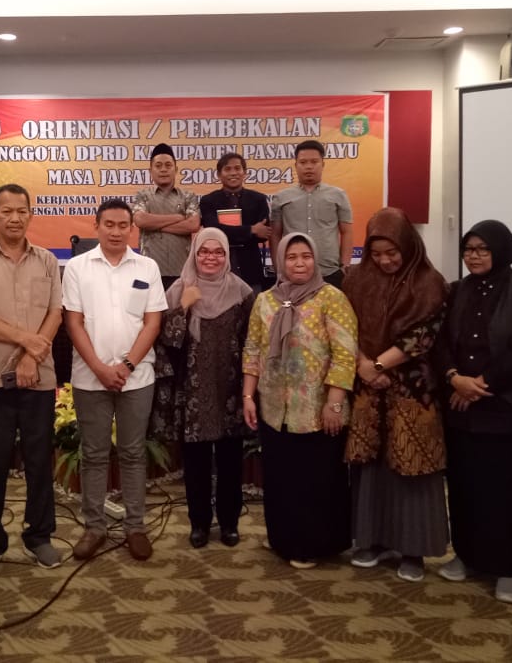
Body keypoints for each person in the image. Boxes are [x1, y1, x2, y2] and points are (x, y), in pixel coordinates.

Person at [432, 220, 512, 604]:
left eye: (483, 249)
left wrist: (480, 384)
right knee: (466, 486)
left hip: (508, 409)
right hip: (460, 406)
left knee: (508, 490)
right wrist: (454, 378)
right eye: (469, 249)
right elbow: (440, 343)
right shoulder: (456, 291)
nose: (475, 256)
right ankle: (468, 555)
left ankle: (509, 567)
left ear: (501, 250)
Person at [342, 207, 448, 583]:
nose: (385, 261)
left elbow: (424, 335)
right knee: (370, 467)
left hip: (411, 388)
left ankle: (412, 549)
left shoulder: (430, 281)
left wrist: (379, 365)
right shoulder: (355, 280)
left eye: (392, 253)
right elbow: (344, 326)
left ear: (408, 246)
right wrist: (363, 365)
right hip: (367, 385)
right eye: (376, 254)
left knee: (411, 467)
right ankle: (371, 540)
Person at [0, 184, 63, 576]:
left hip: (39, 376)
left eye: (22, 211)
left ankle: (39, 536)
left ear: (30, 214)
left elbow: (55, 313)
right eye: (7, 211)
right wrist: (26, 342)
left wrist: (30, 357)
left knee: (39, 459)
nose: (15, 218)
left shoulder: (47, 261)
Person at [241, 232, 357, 568]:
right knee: (281, 478)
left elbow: (345, 352)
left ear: (315, 259)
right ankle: (283, 537)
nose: (299, 263)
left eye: (306, 256)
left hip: (317, 409)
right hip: (274, 407)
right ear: (280, 261)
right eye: (291, 257)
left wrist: (334, 402)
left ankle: (313, 544)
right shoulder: (266, 301)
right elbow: (252, 349)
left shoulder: (331, 298)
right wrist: (248, 395)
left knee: (315, 480)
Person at [62, 198, 167, 562]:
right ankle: (94, 527)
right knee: (93, 454)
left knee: (133, 452)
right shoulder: (77, 268)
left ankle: (135, 527)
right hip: (89, 377)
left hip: (137, 377)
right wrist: (100, 368)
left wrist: (125, 364)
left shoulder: (147, 267)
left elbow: (153, 322)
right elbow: (73, 323)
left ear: (132, 229)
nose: (117, 231)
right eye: (109, 224)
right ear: (96, 226)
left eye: (123, 225)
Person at [153, 228, 255, 548]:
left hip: (229, 390)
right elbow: (167, 342)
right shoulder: (179, 289)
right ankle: (198, 523)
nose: (211, 257)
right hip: (193, 392)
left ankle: (229, 523)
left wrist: (248, 391)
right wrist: (183, 307)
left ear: (227, 255)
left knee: (230, 462)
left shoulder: (241, 292)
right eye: (204, 252)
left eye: (218, 252)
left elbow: (252, 343)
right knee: (195, 464)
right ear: (194, 254)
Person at [270, 140, 353, 287]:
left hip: (330, 272)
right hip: (293, 273)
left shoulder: (338, 195)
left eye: (314, 162)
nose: (309, 166)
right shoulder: (280, 197)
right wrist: (279, 269)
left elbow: (347, 232)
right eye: (303, 162)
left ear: (323, 164)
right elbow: (275, 235)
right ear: (296, 165)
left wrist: (344, 266)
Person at [131, 143, 201, 289]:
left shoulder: (188, 196)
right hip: (149, 270)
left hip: (182, 270)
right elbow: (140, 220)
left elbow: (193, 224)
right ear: (150, 170)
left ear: (176, 169)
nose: (163, 169)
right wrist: (177, 218)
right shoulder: (143, 195)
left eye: (168, 165)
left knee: (181, 305)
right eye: (158, 166)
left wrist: (154, 225)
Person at [199, 152, 271, 289]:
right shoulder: (208, 201)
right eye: (227, 169)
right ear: (219, 175)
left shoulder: (258, 199)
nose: (233, 173)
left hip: (251, 270)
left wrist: (228, 233)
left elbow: (263, 234)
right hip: (218, 270)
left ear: (245, 173)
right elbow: (213, 231)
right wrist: (251, 230)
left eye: (237, 168)